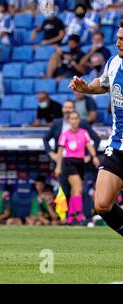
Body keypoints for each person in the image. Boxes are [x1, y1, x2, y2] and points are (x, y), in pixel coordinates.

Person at [69, 18, 123, 238]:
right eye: (118, 38)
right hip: (118, 144)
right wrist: (86, 88)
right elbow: (102, 84)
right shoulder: (114, 63)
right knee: (101, 204)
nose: (118, 42)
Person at [54, 111, 100, 224]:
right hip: (69, 163)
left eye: (76, 118)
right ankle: (78, 215)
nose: (74, 121)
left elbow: (89, 146)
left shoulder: (83, 132)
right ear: (69, 121)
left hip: (80, 163)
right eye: (72, 119)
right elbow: (60, 152)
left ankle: (71, 216)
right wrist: (58, 166)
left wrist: (93, 157)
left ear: (79, 120)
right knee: (78, 188)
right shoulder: (65, 134)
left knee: (75, 191)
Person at [43, 100, 100, 164]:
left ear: (74, 109)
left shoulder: (82, 123)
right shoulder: (56, 123)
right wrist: (51, 154)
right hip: (61, 161)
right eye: (65, 107)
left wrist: (89, 156)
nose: (67, 110)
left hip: (79, 161)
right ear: (62, 109)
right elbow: (45, 139)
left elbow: (96, 138)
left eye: (70, 108)